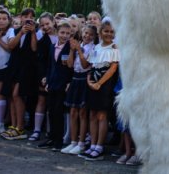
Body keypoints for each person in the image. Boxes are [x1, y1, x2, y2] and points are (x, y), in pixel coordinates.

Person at [82, 19, 120, 161]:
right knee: (92, 114)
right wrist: (90, 80)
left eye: (111, 32)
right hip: (93, 83)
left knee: (102, 116)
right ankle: (92, 144)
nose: (108, 34)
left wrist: (99, 83)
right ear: (100, 32)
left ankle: (99, 146)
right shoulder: (96, 48)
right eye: (106, 31)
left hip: (106, 85)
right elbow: (92, 66)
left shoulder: (114, 48)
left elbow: (113, 68)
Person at [1, 8, 38, 140]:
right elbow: (11, 46)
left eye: (31, 17)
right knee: (12, 95)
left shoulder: (36, 32)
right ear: (20, 18)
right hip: (14, 65)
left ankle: (20, 127)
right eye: (26, 16)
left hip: (26, 67)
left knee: (18, 95)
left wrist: (32, 33)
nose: (28, 19)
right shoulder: (14, 30)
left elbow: (34, 48)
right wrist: (21, 33)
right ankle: (14, 125)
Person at [61, 25, 96, 155]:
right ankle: (73, 141)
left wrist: (79, 51)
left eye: (91, 34)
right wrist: (72, 50)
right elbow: (70, 64)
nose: (87, 36)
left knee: (82, 113)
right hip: (75, 78)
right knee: (73, 112)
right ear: (82, 33)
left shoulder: (93, 48)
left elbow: (85, 64)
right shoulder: (77, 45)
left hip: (84, 79)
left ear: (94, 36)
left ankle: (81, 143)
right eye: (86, 33)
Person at [38, 21, 73, 151]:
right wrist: (46, 79)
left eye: (68, 33)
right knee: (51, 111)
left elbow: (71, 68)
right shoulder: (52, 46)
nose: (64, 36)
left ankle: (58, 140)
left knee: (58, 112)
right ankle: (51, 137)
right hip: (52, 82)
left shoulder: (70, 48)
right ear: (57, 32)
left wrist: (69, 82)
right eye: (62, 33)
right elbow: (50, 65)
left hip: (63, 84)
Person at [30, 12, 57, 141]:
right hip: (44, 74)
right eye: (42, 25)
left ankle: (50, 130)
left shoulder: (63, 36)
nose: (46, 27)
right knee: (41, 100)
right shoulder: (43, 39)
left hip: (58, 74)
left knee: (52, 103)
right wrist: (43, 76)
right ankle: (36, 129)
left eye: (47, 23)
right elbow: (37, 53)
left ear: (53, 22)